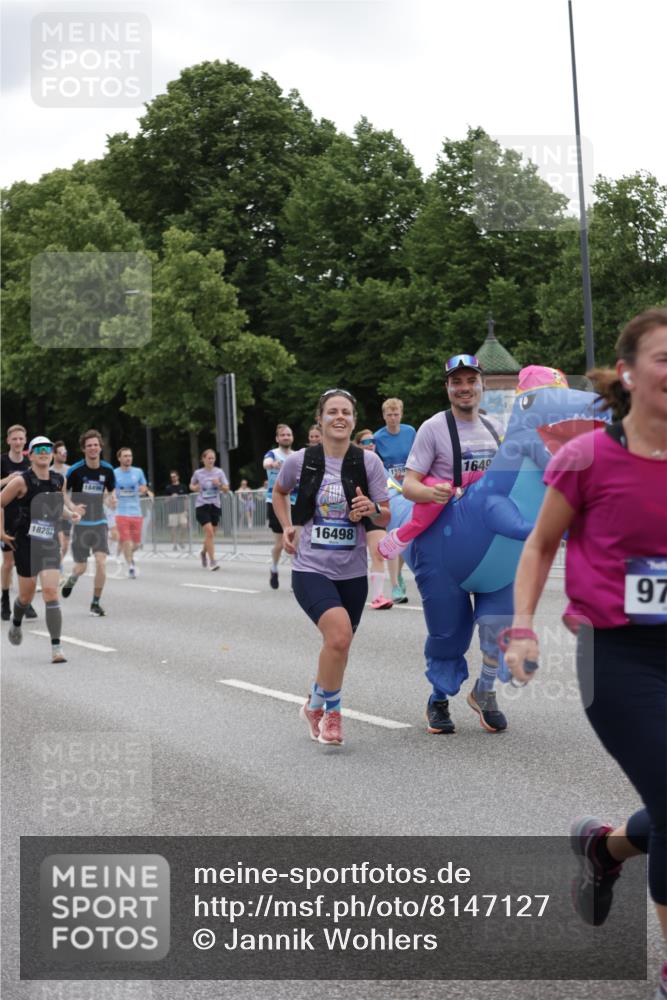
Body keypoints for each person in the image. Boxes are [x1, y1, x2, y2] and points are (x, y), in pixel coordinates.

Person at [502, 308, 667, 1000]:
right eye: (664, 357)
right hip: (619, 657)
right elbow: (540, 545)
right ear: (626, 373)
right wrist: (520, 625)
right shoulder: (586, 457)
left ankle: (605, 849)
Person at [272, 389, 390, 746]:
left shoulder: (369, 463)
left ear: (353, 420)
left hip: (351, 571)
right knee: (338, 636)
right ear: (319, 419)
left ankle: (315, 702)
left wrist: (369, 508)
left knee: (339, 645)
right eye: (332, 412)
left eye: (346, 412)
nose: (340, 417)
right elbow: (280, 493)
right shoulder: (301, 460)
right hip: (311, 567)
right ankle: (332, 715)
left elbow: (385, 514)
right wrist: (288, 525)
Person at [400, 354, 504, 735]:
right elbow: (408, 485)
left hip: (492, 545)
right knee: (449, 630)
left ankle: (486, 691)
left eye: (470, 380)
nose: (464, 388)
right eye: (456, 382)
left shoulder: (496, 427)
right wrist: (432, 492)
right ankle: (439, 698)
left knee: (501, 621)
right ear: (447, 388)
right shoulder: (432, 428)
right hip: (444, 545)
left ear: (481, 385)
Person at [0, 437, 83, 662]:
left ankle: (56, 647)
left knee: (50, 592)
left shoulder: (59, 480)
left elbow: (56, 508)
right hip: (25, 542)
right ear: (31, 455)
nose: (44, 453)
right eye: (39, 450)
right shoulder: (21, 481)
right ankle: (16, 621)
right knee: (25, 597)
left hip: (48, 542)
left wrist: (70, 514)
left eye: (48, 449)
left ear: (52, 454)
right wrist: (0, 531)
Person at [61, 429, 116, 616]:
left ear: (100, 447)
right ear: (84, 449)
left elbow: (110, 492)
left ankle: (95, 603)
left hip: (100, 521)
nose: (93, 448)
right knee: (81, 567)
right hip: (81, 524)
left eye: (96, 445)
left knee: (101, 563)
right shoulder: (75, 470)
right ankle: (72, 579)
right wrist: (72, 507)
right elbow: (63, 493)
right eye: (89, 445)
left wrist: (112, 500)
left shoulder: (108, 469)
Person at [373, 398, 416, 604]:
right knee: (395, 534)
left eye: (396, 414)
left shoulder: (410, 432)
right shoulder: (378, 437)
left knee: (406, 533)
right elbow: (374, 465)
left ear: (401, 413)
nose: (393, 418)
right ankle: (396, 585)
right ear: (384, 416)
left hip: (410, 486)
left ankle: (399, 574)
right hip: (390, 491)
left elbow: (419, 457)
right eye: (389, 415)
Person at [1, 425, 38, 622]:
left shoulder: (28, 462)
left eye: (21, 439)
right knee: (9, 562)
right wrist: (8, 479)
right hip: (6, 516)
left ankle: (26, 600)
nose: (17, 442)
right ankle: (5, 599)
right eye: (14, 439)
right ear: (8, 441)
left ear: (25, 441)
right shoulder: (2, 460)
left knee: (27, 563)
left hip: (26, 519)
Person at [354, 429, 392, 609]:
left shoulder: (379, 463)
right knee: (352, 556)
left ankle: (378, 597)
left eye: (372, 441)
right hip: (352, 511)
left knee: (378, 552)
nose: (370, 444)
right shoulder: (351, 461)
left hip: (374, 511)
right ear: (358, 445)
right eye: (365, 441)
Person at [263, 424, 295, 589]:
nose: (286, 437)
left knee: (295, 540)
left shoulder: (296, 456)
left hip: (295, 502)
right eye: (282, 435)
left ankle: (295, 578)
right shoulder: (273, 454)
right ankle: (274, 567)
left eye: (288, 435)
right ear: (277, 438)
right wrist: (272, 465)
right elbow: (266, 463)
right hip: (275, 502)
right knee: (281, 543)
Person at [114, 447, 153, 578]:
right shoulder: (114, 473)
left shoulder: (138, 472)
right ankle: (131, 566)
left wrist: (144, 489)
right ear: (119, 458)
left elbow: (144, 487)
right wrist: (112, 497)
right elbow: (110, 490)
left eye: (130, 456)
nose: (128, 458)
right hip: (121, 512)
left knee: (136, 544)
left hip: (136, 512)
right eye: (125, 456)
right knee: (127, 541)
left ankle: (125, 552)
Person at [190, 449, 229, 571]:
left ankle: (203, 553)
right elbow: (191, 485)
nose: (211, 460)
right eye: (209, 458)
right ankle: (212, 561)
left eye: (213, 458)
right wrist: (195, 487)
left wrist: (219, 485)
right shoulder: (198, 473)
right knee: (210, 533)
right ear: (203, 459)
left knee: (211, 535)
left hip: (215, 506)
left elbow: (226, 489)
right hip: (202, 505)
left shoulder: (219, 472)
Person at [51, 441, 71, 573]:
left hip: (67, 510)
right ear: (54, 454)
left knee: (66, 543)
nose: (64, 454)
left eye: (66, 452)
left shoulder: (70, 470)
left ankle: (60, 562)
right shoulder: (48, 470)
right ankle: (56, 566)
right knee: (60, 540)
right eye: (61, 452)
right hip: (53, 511)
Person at [165, 470, 189, 550]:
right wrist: (171, 497)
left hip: (182, 511)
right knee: (173, 528)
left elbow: (186, 499)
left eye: (174, 476)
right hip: (172, 511)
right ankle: (174, 544)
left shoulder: (183, 487)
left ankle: (181, 541)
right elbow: (165, 500)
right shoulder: (168, 488)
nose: (173, 478)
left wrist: (186, 510)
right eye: (171, 477)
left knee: (184, 526)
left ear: (178, 477)